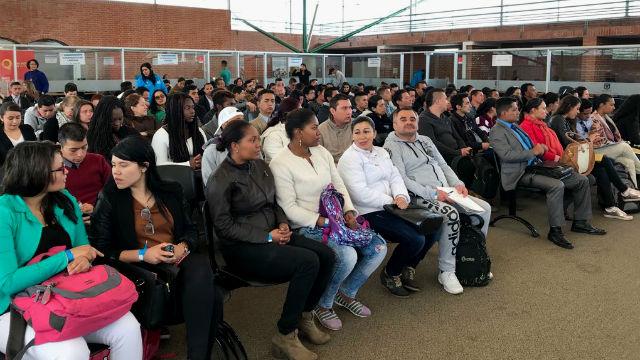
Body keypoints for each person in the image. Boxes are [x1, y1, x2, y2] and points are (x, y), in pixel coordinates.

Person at [0, 141, 142, 360]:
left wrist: (84, 260)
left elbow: (83, 250)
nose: (66, 170)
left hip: (66, 296)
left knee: (128, 327)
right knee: (72, 351)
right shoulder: (5, 212)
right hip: (13, 309)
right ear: (36, 173)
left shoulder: (64, 200)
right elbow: (8, 282)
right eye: (59, 168)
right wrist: (65, 257)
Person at [208, 120, 334, 359]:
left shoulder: (260, 166)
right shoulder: (220, 179)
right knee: (308, 261)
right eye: (252, 140)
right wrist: (267, 236)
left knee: (327, 256)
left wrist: (283, 223)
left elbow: (273, 202)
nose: (258, 144)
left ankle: (304, 316)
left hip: (273, 233)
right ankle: (285, 335)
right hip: (242, 248)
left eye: (258, 139)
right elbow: (223, 227)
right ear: (234, 145)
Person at [90, 136, 220, 360]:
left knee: (201, 269)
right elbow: (103, 251)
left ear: (144, 167)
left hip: (175, 260)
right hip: (138, 267)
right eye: (113, 165)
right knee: (211, 295)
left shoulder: (171, 191)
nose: (115, 171)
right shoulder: (110, 197)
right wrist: (144, 254)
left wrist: (183, 247)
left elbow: (191, 231)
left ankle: (197, 356)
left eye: (123, 165)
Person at [270, 108, 387, 332]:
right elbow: (289, 208)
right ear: (297, 132)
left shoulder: (321, 152)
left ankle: (346, 293)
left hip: (336, 219)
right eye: (314, 128)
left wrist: (349, 211)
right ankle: (323, 304)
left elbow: (338, 184)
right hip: (308, 227)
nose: (319, 132)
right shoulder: (280, 163)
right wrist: (325, 221)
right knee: (347, 255)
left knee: (378, 246)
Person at [384, 108, 492, 294]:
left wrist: (457, 184)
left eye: (412, 118)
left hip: (446, 191)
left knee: (484, 209)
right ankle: (447, 271)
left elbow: (443, 165)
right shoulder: (392, 146)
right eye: (403, 119)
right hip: (418, 196)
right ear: (394, 124)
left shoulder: (425, 140)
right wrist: (433, 194)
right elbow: (402, 179)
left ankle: (473, 255)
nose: (409, 122)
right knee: (451, 215)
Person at [489, 97, 606, 249]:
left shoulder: (514, 126)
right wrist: (534, 151)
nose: (518, 111)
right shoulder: (497, 131)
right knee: (556, 185)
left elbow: (531, 147)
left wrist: (540, 149)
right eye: (514, 109)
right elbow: (507, 156)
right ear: (504, 113)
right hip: (520, 172)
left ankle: (581, 222)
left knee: (582, 180)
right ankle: (555, 231)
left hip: (536, 166)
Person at [338, 116, 436, 297]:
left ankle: (408, 266)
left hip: (392, 206)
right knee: (416, 239)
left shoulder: (381, 152)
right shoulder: (349, 159)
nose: (362, 136)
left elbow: (394, 177)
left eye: (366, 131)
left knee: (431, 227)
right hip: (368, 212)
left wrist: (400, 195)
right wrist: (391, 200)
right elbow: (360, 193)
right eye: (357, 133)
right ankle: (391, 274)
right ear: (351, 136)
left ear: (374, 133)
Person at [549, 95, 640, 220]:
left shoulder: (566, 120)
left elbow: (573, 142)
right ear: (569, 107)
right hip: (569, 159)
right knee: (606, 159)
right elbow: (569, 144)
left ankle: (611, 206)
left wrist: (587, 139)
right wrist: (589, 139)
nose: (577, 112)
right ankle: (623, 192)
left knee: (603, 169)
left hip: (574, 156)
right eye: (577, 109)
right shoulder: (558, 119)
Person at [59, 122, 111, 220]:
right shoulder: (54, 168)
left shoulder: (98, 160)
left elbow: (112, 188)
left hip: (102, 213)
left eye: (84, 147)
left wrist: (97, 208)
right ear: (60, 147)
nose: (80, 154)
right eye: (73, 150)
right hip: (69, 218)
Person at [589, 94, 640, 186]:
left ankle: (633, 190)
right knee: (624, 146)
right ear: (601, 105)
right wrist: (619, 143)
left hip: (609, 148)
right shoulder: (593, 118)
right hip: (599, 150)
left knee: (629, 163)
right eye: (611, 105)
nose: (614, 107)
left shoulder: (607, 118)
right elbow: (599, 140)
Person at [151, 93, 205, 168]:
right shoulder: (161, 135)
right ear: (175, 110)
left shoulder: (199, 131)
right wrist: (188, 164)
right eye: (187, 108)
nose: (193, 111)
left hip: (199, 175)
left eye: (193, 107)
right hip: (174, 177)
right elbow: (160, 165)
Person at [418, 89, 471, 165]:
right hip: (442, 158)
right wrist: (457, 152)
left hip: (456, 154)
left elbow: (457, 137)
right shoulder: (423, 120)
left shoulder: (445, 117)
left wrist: (464, 148)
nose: (448, 102)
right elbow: (433, 144)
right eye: (445, 99)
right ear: (437, 101)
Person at [87, 96, 139, 162]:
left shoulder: (131, 133)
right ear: (103, 119)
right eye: (112, 120)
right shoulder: (93, 137)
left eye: (120, 119)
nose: (117, 123)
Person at [201, 107, 245, 184]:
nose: (243, 124)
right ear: (225, 124)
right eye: (238, 120)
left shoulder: (251, 144)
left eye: (243, 120)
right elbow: (209, 182)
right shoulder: (211, 150)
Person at [261, 97, 300, 163]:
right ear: (289, 113)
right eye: (300, 112)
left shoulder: (299, 129)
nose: (304, 116)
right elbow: (281, 161)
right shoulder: (273, 135)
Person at [318, 94, 353, 163]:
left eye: (350, 108)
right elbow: (319, 158)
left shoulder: (356, 126)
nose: (349, 112)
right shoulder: (321, 130)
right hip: (332, 169)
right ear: (332, 111)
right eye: (344, 108)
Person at [0, 102, 36, 167]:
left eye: (18, 117)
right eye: (10, 118)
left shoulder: (27, 129)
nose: (15, 121)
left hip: (32, 169)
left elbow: (36, 149)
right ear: (1, 118)